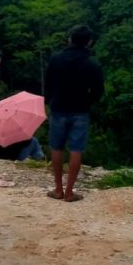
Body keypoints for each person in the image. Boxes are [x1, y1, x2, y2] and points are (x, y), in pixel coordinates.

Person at [45, 26, 104, 202]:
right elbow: (98, 91)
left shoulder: (56, 59)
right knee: (76, 149)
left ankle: (58, 189)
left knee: (56, 147)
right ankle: (70, 192)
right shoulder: (92, 64)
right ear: (89, 42)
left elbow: (48, 84)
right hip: (80, 110)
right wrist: (87, 101)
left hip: (58, 107)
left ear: (69, 39)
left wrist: (49, 101)